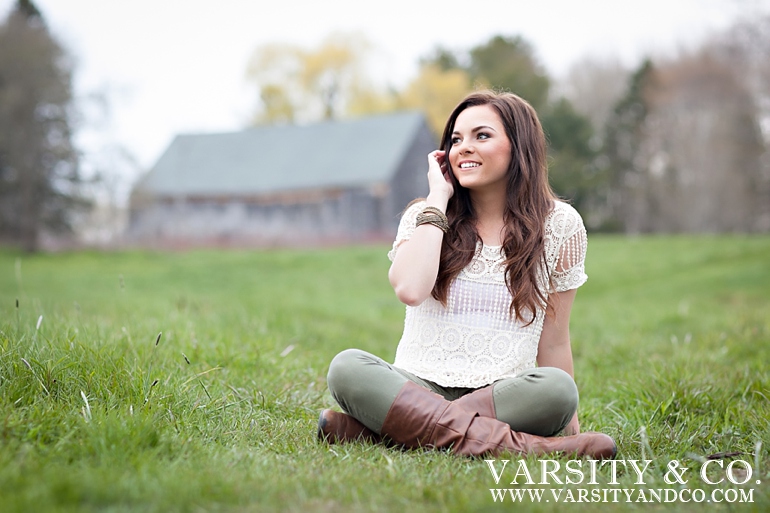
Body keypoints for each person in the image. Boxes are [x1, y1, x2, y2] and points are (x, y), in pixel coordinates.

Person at [317, 90, 616, 459]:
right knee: (347, 367)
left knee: (557, 389)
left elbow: (554, 341)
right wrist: (438, 199)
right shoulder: (423, 215)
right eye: (456, 139)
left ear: (518, 146)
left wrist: (569, 419)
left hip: (504, 394)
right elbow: (411, 289)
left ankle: (390, 432)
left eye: (482, 136)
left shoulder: (560, 226)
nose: (463, 148)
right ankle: (533, 448)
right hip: (416, 385)